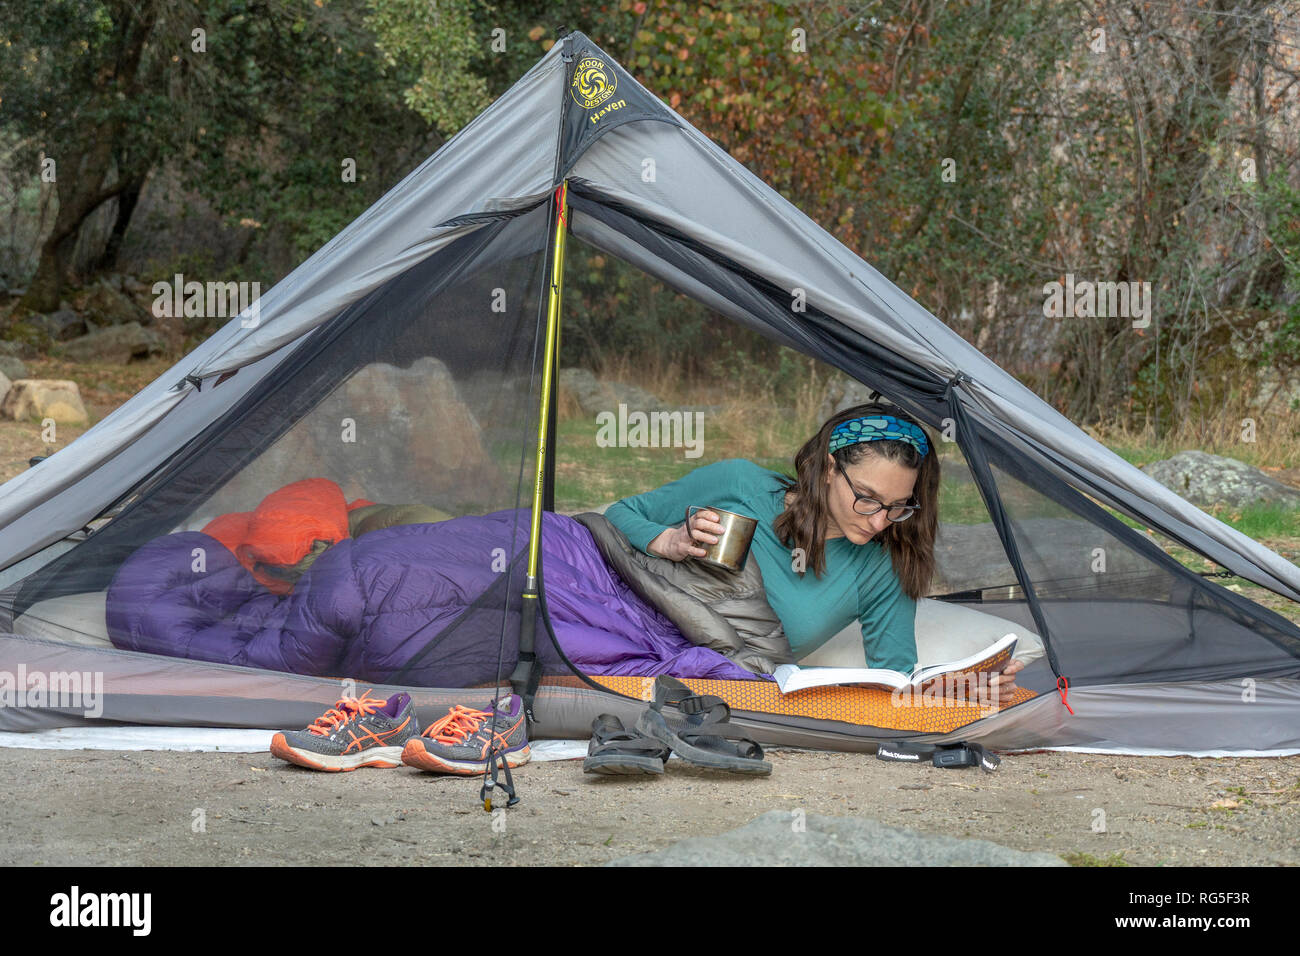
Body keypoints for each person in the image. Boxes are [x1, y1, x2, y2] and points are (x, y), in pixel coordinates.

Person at [604, 401, 1024, 695]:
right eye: (867, 497)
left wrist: (954, 689)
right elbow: (620, 515)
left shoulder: (884, 567)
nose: (879, 521)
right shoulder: (739, 483)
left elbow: (893, 680)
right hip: (620, 606)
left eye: (898, 506)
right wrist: (669, 540)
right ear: (828, 468)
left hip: (700, 666)